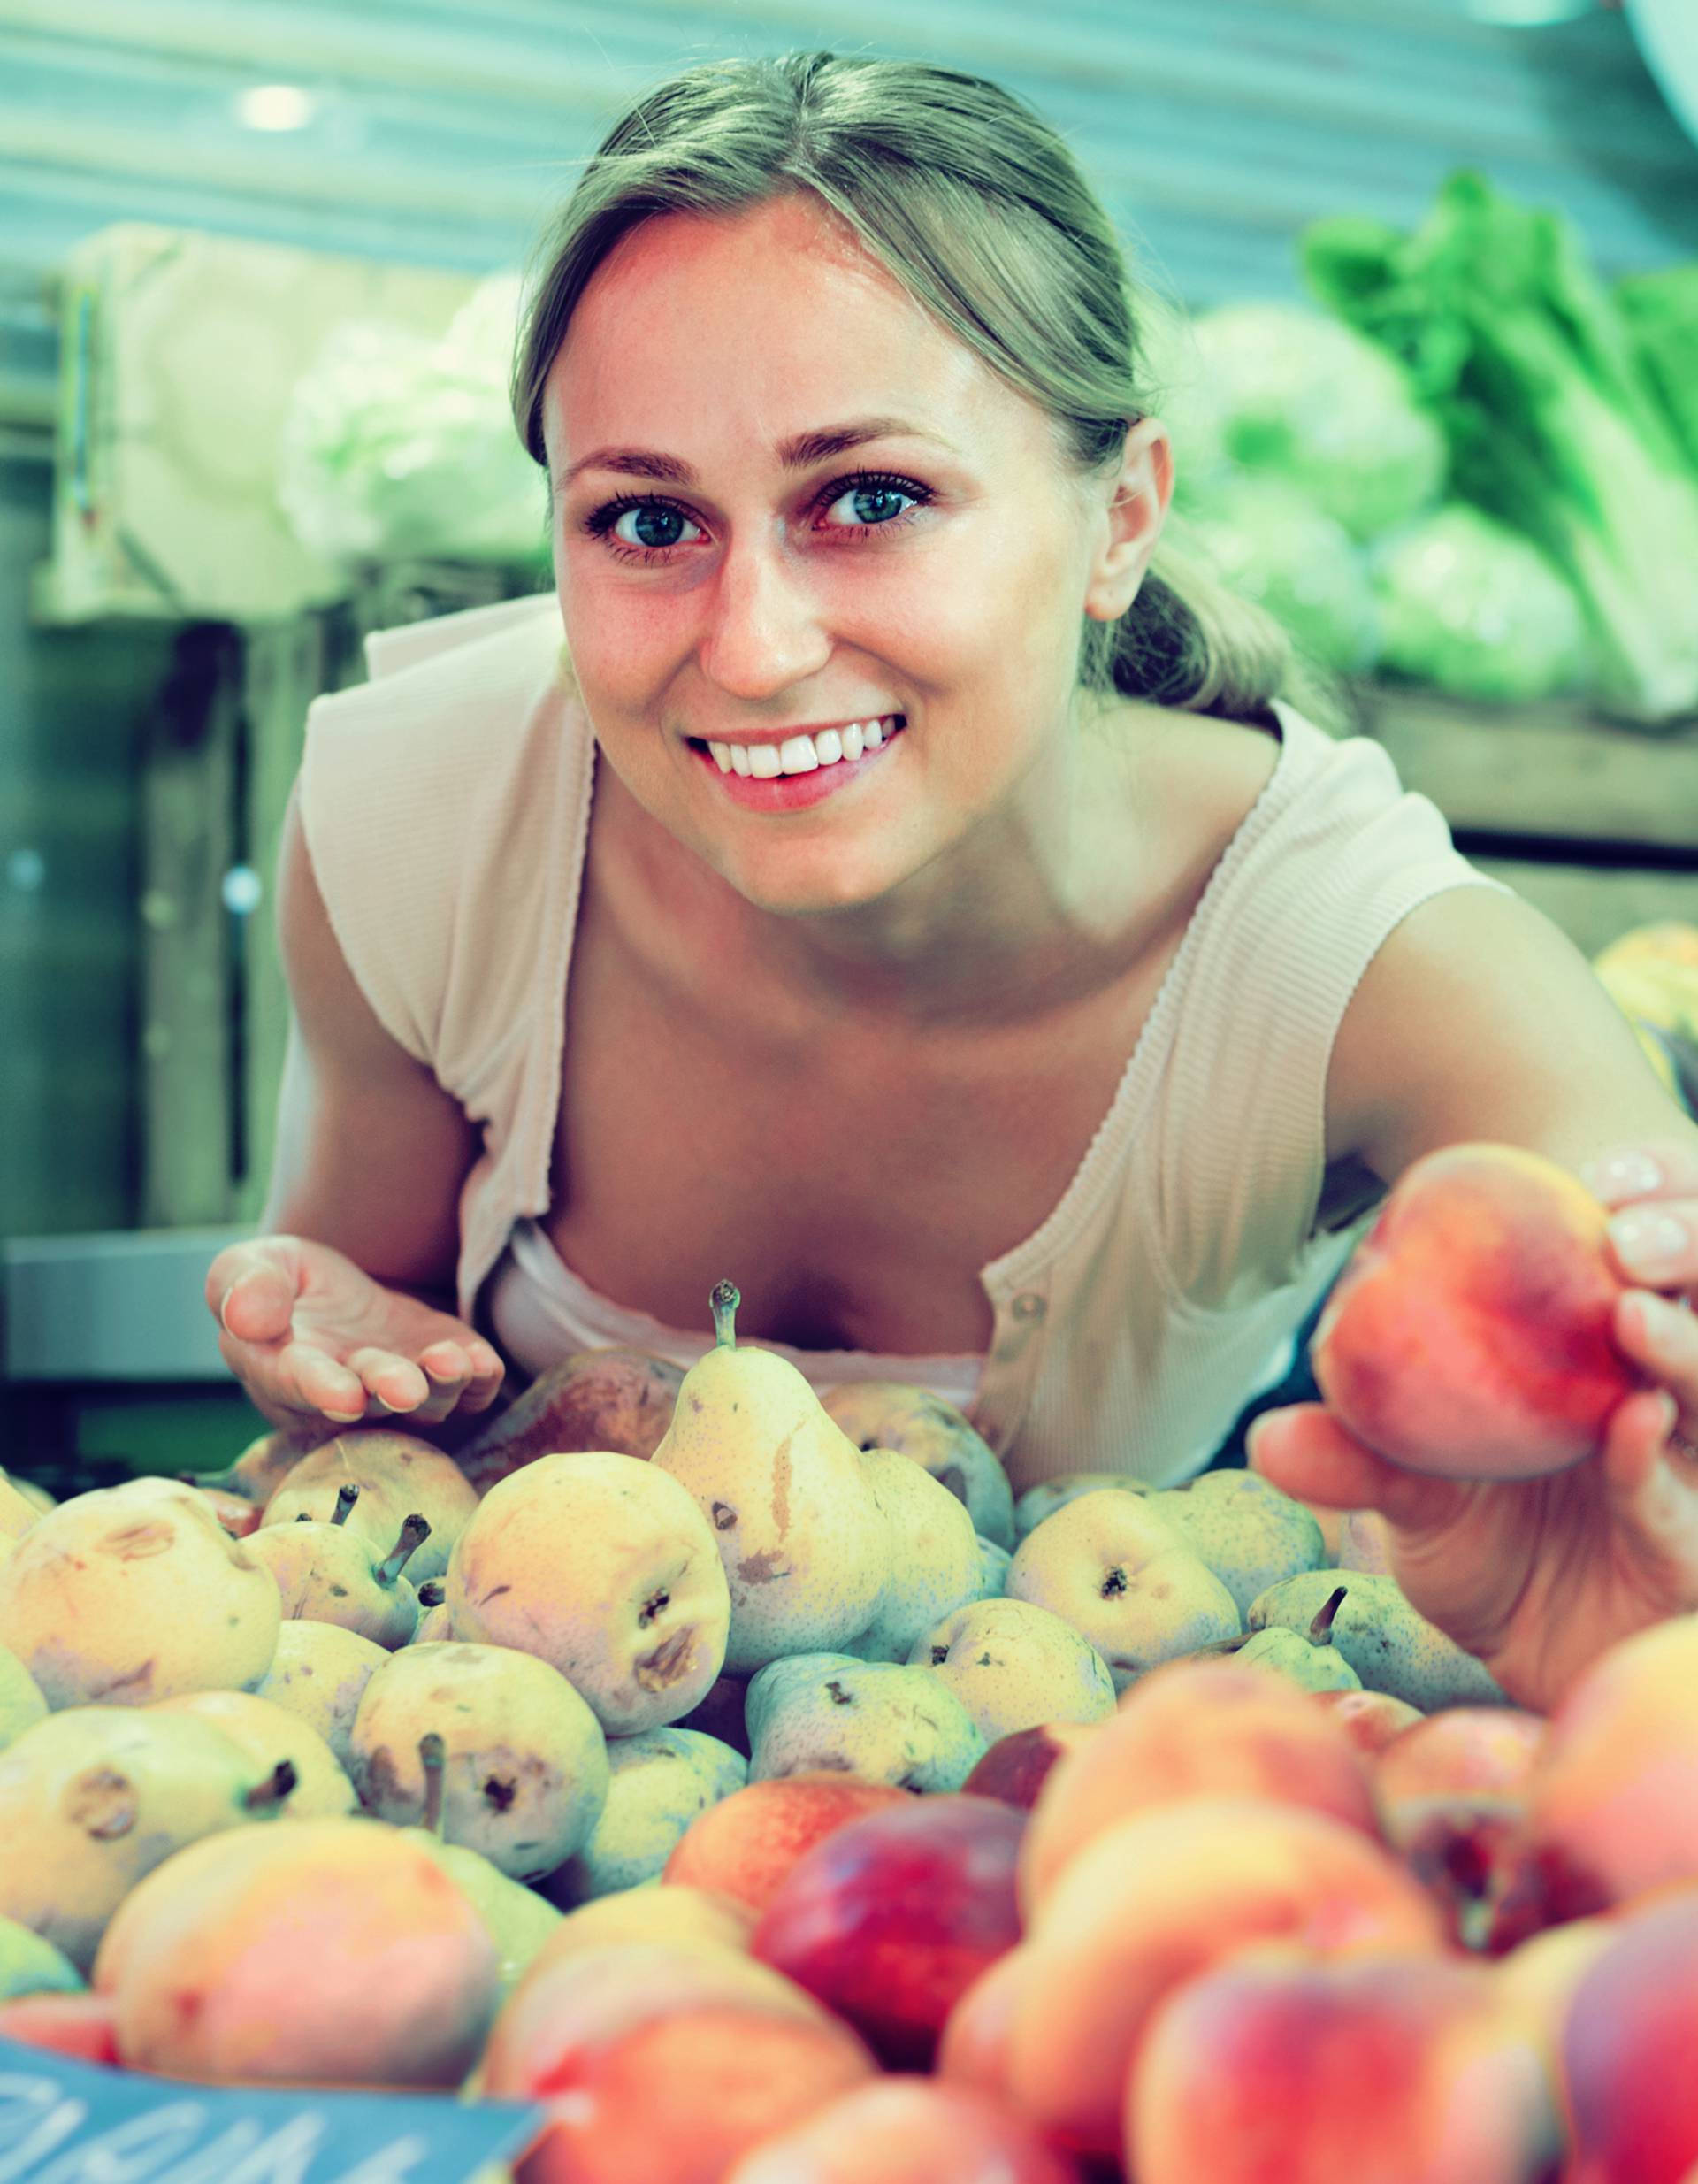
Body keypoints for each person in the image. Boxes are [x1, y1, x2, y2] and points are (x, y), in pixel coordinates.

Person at [207, 51, 1698, 1713]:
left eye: (873, 498)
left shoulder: (1363, 968)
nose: (754, 647)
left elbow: (1656, 1380)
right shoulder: (417, 819)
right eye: (644, 522)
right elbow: (358, 1382)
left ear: (1119, 518)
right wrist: (327, 1347)